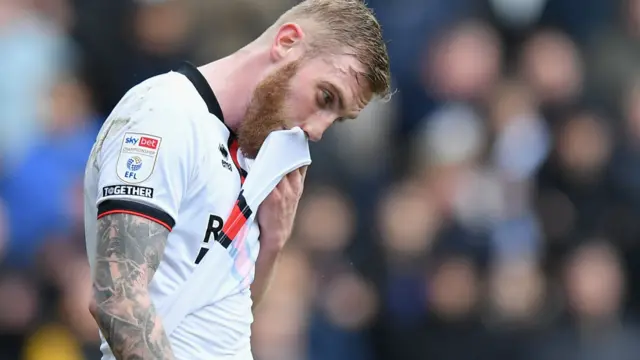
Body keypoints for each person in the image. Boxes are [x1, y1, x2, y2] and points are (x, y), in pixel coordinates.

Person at [82, 0, 391, 359]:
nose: (319, 131)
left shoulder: (249, 152)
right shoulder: (165, 115)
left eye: (337, 118)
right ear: (287, 42)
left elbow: (225, 313)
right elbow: (116, 298)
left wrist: (274, 241)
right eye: (325, 97)